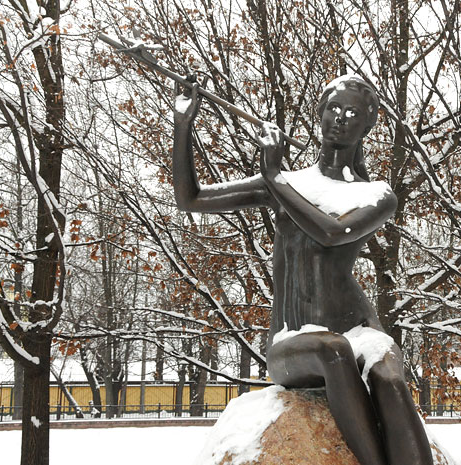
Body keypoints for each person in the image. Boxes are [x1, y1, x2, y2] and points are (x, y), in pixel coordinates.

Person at [173, 74, 433, 465]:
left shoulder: (377, 195)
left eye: (353, 112)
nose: (341, 118)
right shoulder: (285, 184)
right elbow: (190, 198)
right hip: (294, 339)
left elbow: (331, 233)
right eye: (333, 108)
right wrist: (183, 126)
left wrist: (274, 176)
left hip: (359, 326)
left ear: (368, 124)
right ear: (320, 113)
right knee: (333, 350)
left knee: (391, 380)